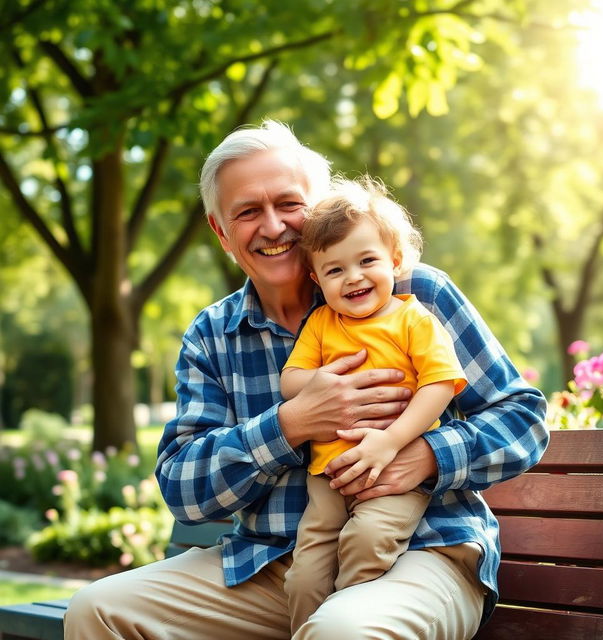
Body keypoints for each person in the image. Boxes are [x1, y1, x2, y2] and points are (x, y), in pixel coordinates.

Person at [64, 120, 548, 640]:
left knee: (343, 630)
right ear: (220, 230)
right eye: (248, 211)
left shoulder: (415, 294)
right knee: (96, 609)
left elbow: (522, 418)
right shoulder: (212, 335)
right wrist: (290, 424)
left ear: (320, 208)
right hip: (269, 566)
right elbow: (184, 489)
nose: (273, 227)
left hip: (420, 553)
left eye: (289, 205)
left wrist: (421, 454)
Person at [280, 176, 469, 633]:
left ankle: (340, 621)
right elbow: (290, 381)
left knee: (367, 541)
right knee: (304, 574)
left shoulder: (413, 318)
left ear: (395, 260)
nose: (354, 277)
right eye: (335, 270)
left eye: (367, 260)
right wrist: (321, 382)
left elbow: (441, 384)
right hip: (329, 473)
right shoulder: (322, 323)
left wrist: (390, 441)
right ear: (316, 279)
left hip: (393, 472)